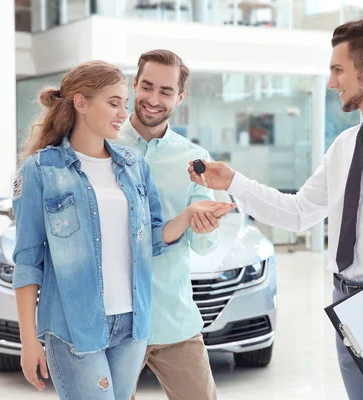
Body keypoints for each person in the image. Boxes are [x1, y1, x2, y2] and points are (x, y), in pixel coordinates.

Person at [188, 19, 363, 400]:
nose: (332, 81)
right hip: (348, 307)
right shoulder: (344, 145)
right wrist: (233, 182)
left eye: (338, 70)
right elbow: (299, 211)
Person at [12, 60, 234, 400]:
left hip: (133, 325)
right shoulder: (42, 169)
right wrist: (29, 340)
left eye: (122, 104)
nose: (121, 112)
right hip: (76, 326)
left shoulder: (132, 165)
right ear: (81, 103)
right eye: (114, 102)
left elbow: (153, 240)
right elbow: (28, 261)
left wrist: (190, 215)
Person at [114, 49, 219, 400]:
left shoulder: (196, 159)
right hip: (114, 324)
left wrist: (205, 225)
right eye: (147, 87)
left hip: (173, 319)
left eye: (166, 91)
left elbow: (204, 245)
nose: (153, 99)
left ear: (180, 97)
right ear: (134, 85)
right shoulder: (102, 146)